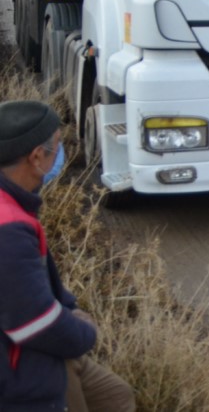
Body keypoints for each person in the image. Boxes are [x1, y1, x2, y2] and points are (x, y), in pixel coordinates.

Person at [1, 100, 135, 412]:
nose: (62, 155)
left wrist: (68, 308)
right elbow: (32, 324)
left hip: (37, 350)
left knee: (116, 397)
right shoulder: (7, 229)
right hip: (23, 370)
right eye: (58, 146)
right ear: (36, 157)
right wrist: (84, 332)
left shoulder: (15, 205)